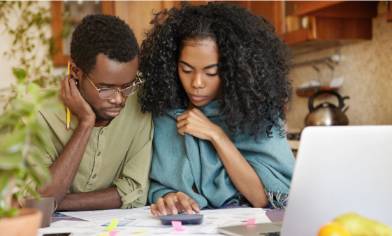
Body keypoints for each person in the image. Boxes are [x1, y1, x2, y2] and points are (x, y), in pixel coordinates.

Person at [138, 3, 295, 216]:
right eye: (186, 70)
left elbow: (262, 198)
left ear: (234, 70)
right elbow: (158, 187)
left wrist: (215, 134)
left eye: (211, 72)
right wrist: (170, 197)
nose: (197, 83)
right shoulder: (166, 113)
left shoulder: (257, 114)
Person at [37, 15, 153, 210]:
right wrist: (85, 122)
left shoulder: (140, 103)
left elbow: (135, 191)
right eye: (105, 88)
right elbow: (38, 204)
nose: (119, 99)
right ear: (75, 71)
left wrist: (61, 201)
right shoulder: (38, 115)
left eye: (127, 86)